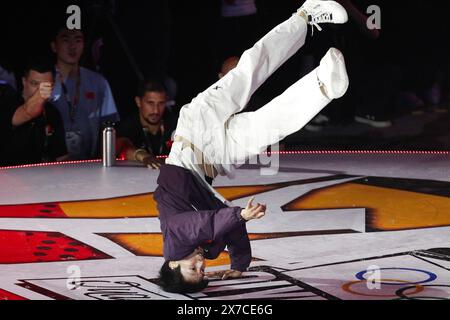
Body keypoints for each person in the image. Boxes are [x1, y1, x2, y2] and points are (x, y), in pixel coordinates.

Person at [154, 0, 349, 293]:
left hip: (194, 131)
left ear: (172, 264)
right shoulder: (204, 249)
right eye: (202, 273)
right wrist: (239, 263)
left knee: (248, 72)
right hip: (213, 158)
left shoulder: (176, 239)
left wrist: (239, 215)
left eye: (192, 269)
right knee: (270, 127)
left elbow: (202, 223)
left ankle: (306, 15)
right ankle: (323, 83)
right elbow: (224, 223)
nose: (201, 266)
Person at [50, 26, 120, 160]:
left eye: (78, 40)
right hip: (51, 167)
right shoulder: (43, 81)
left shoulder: (98, 82)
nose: (72, 46)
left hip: (90, 167)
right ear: (54, 46)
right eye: (66, 40)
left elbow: (109, 125)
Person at [0, 58, 68, 166]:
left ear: (53, 86)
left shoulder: (53, 113)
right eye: (34, 84)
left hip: (43, 178)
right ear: (24, 81)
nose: (39, 91)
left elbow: (61, 157)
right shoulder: (7, 103)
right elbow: (26, 112)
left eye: (45, 86)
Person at [116, 79, 176, 169]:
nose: (156, 110)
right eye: (150, 103)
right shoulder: (128, 125)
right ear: (138, 102)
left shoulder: (174, 123)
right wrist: (143, 156)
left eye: (161, 103)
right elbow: (121, 148)